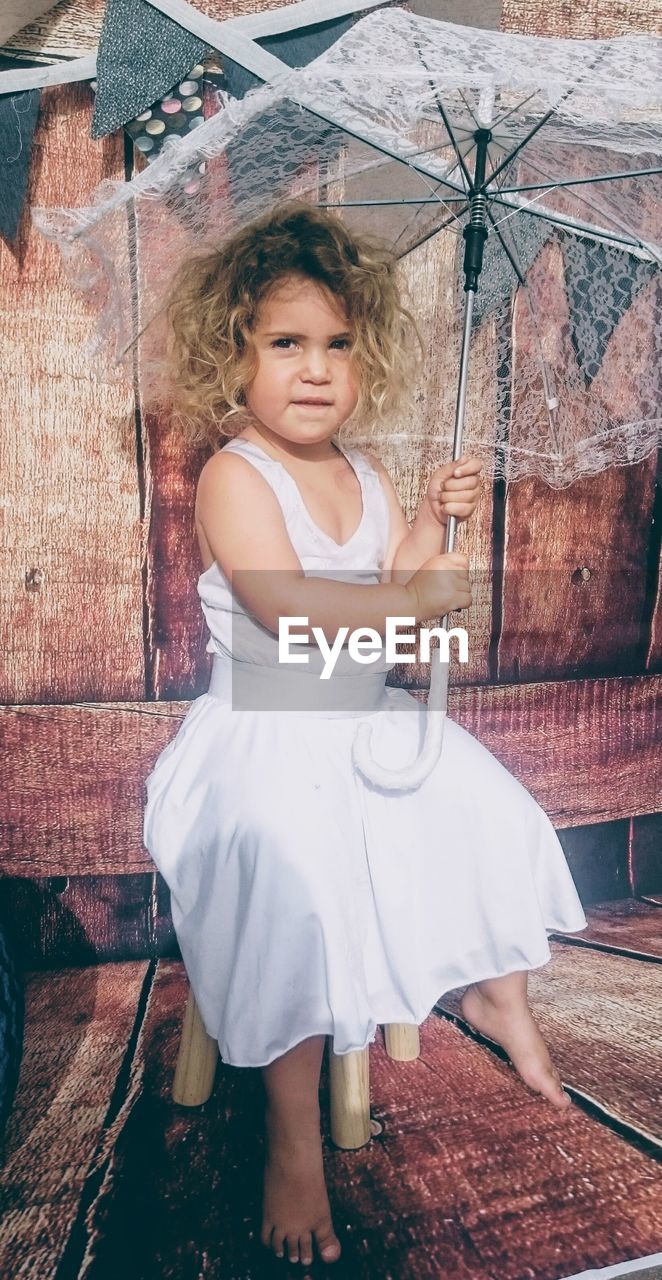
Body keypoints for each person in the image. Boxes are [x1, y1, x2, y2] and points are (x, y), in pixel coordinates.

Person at [142, 199, 588, 1268]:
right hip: (265, 734)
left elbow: (405, 586)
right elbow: (281, 606)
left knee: (487, 805)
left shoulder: (368, 476)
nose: (314, 369)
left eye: (338, 345)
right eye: (284, 343)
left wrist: (433, 525)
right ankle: (292, 1132)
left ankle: (491, 988)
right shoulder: (232, 476)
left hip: (359, 720)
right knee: (293, 878)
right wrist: (409, 606)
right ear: (231, 357)